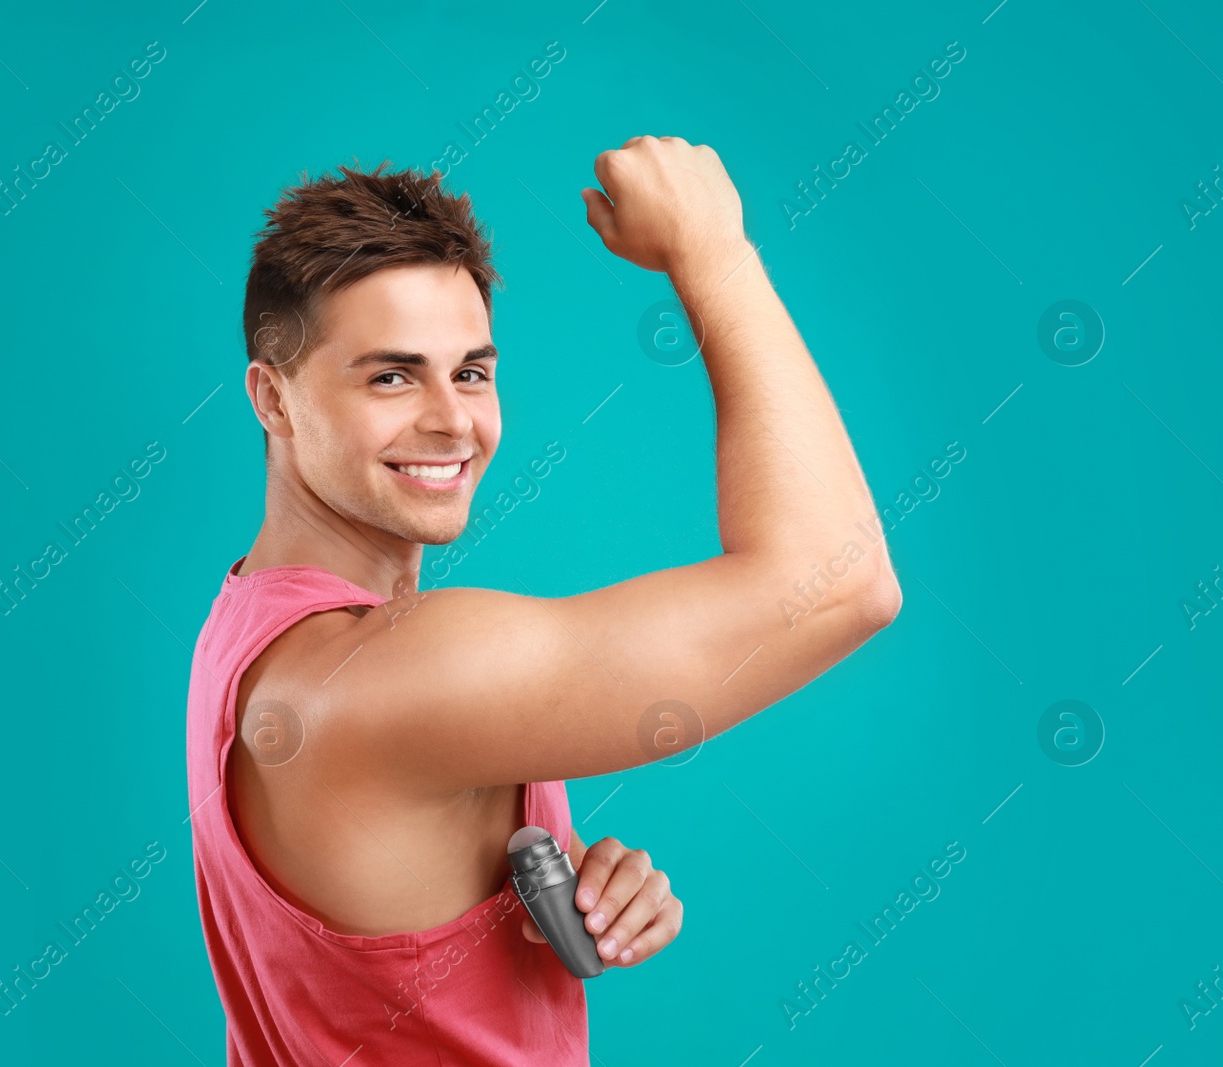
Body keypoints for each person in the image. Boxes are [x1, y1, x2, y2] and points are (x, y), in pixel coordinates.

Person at [185, 135, 901, 1066]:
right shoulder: (386, 678)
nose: (453, 419)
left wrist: (537, 889)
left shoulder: (250, 625)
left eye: (472, 370)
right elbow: (842, 580)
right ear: (272, 401)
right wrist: (713, 248)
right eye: (391, 375)